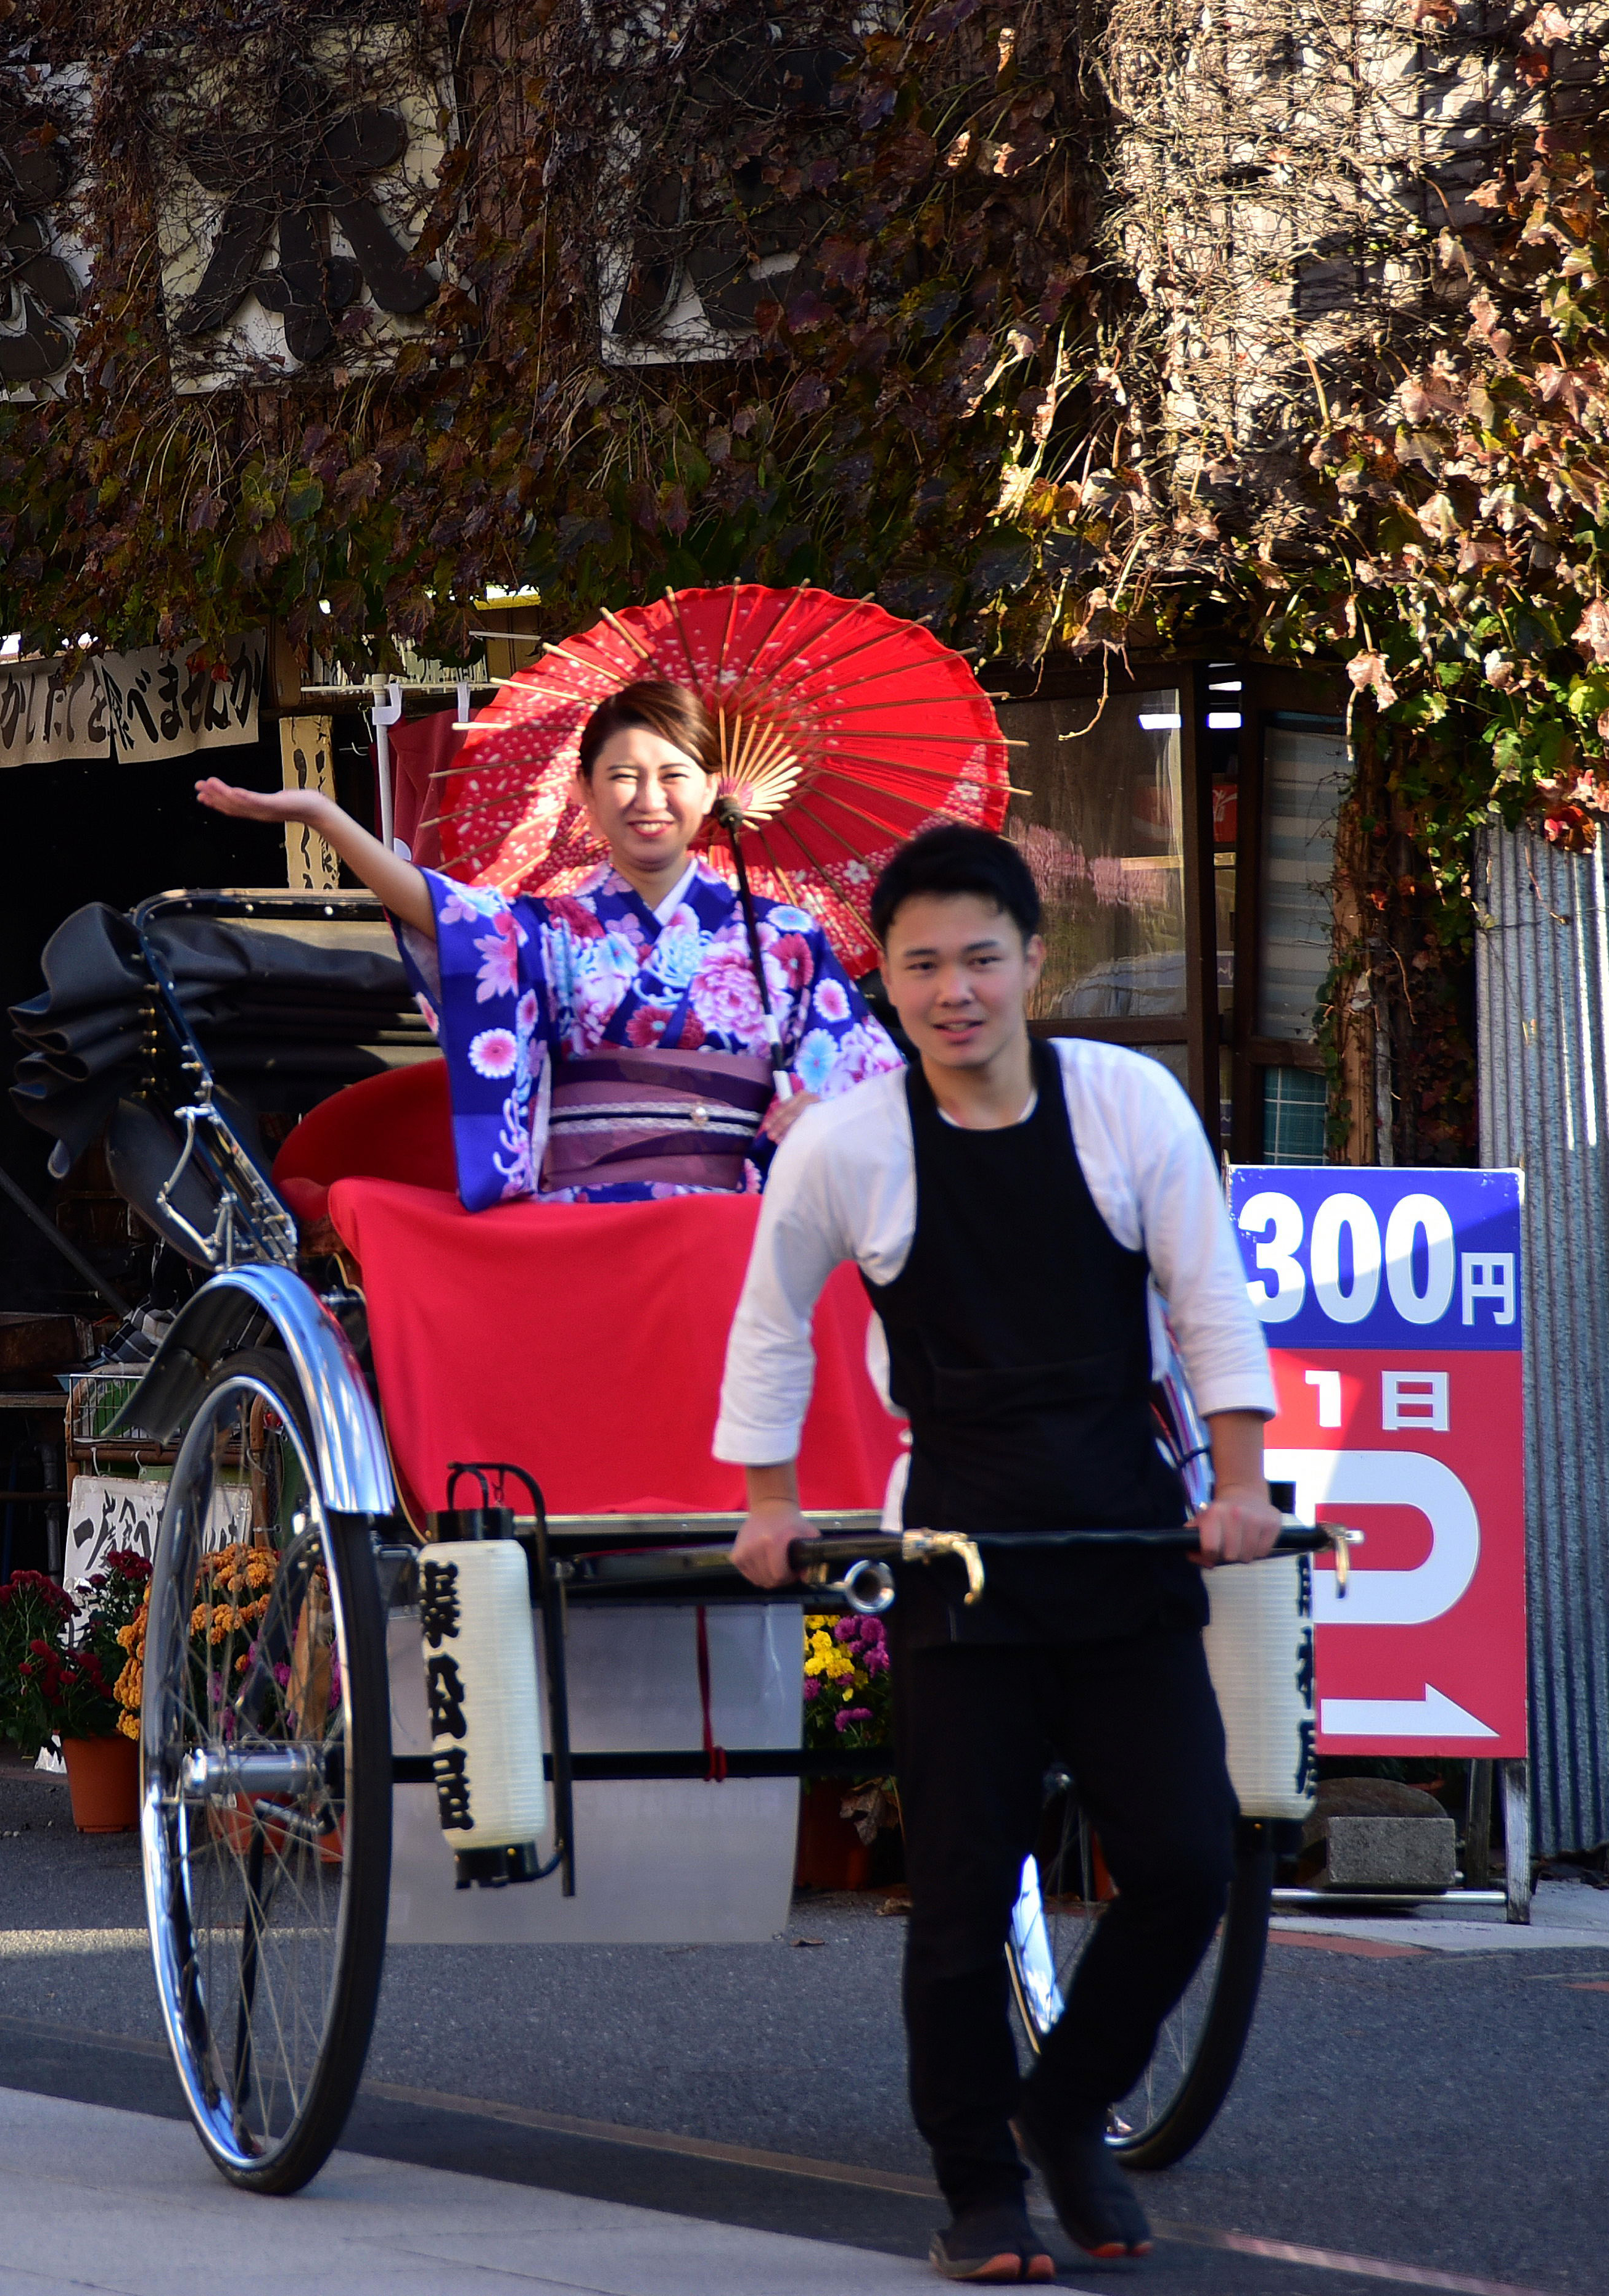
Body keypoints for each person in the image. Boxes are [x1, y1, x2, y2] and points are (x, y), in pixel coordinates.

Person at [714, 822, 1281, 2284]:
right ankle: (976, 2178)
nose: (954, 989)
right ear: (887, 983)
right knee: (963, 1889)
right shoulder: (849, 1141)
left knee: (1186, 1861)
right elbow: (773, 1319)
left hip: (1119, 1530)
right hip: (955, 1550)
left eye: (980, 956)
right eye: (921, 965)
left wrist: (1238, 1482)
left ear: (1037, 960)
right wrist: (771, 1500)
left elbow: (1208, 1292)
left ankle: (1065, 2100)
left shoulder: (1125, 1103)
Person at [197, 677, 904, 1206]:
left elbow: (875, 1090)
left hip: (743, 1228)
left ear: (716, 789)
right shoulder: (546, 929)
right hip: (586, 1224)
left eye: (673, 775)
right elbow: (433, 906)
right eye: (623, 776)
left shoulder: (783, 940)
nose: (648, 798)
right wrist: (324, 815)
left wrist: (831, 1115)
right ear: (584, 794)